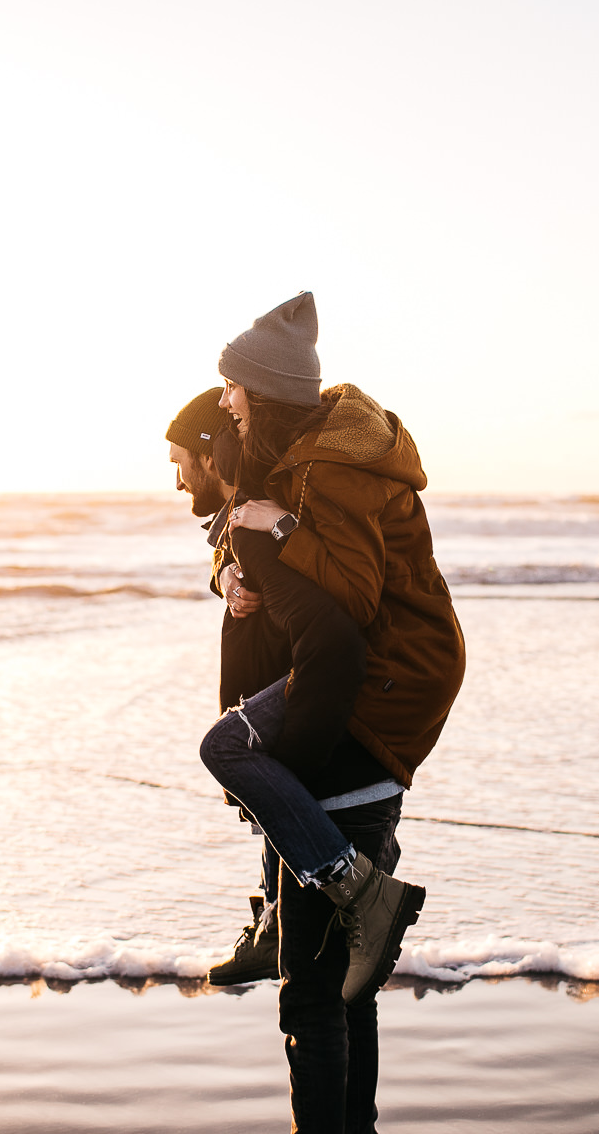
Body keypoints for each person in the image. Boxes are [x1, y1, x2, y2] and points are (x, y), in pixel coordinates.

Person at [190, 292, 467, 1133]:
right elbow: (236, 542)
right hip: (363, 690)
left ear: (263, 393)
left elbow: (346, 597)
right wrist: (231, 575)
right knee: (345, 983)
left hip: (381, 687)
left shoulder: (327, 469)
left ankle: (353, 889)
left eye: (234, 389)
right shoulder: (302, 458)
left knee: (313, 991)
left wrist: (275, 528)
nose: (226, 404)